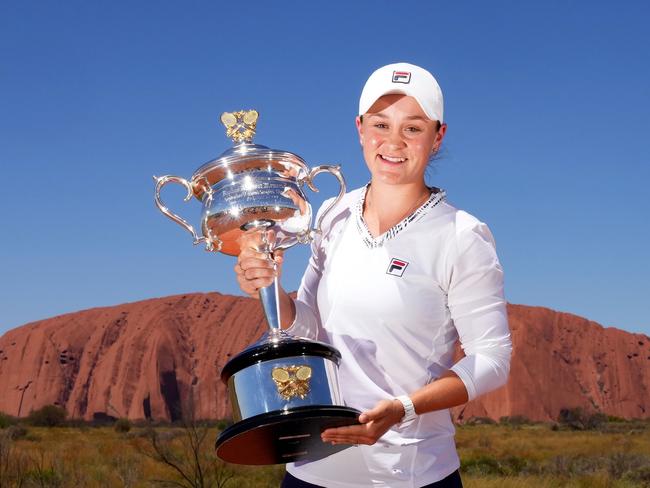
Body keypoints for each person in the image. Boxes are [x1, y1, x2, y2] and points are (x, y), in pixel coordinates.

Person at [235, 62, 512, 488]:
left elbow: (492, 359)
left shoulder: (462, 236)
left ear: (438, 136)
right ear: (360, 128)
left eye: (413, 128)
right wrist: (269, 284)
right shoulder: (333, 214)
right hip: (312, 467)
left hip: (410, 474)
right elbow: (309, 325)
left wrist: (403, 407)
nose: (393, 142)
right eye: (381, 124)